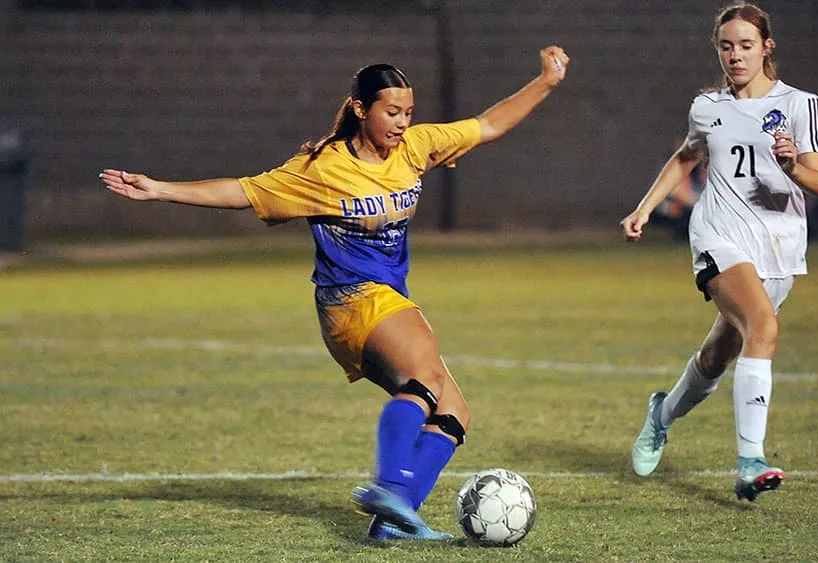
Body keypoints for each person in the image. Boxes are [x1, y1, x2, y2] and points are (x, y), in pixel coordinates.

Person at [100, 46, 570, 539]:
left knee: (454, 412)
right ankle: (389, 485)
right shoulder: (323, 168)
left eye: (408, 112)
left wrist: (546, 82)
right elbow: (243, 191)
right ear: (361, 109)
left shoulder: (416, 146)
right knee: (427, 371)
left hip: (381, 303)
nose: (401, 123)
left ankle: (390, 525)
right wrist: (160, 189)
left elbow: (488, 125)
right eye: (391, 112)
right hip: (351, 300)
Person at [620, 3, 818, 501]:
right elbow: (687, 156)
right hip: (719, 235)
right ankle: (749, 461)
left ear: (766, 47)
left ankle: (661, 414)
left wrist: (790, 164)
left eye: (745, 45)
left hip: (778, 247)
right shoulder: (708, 107)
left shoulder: (802, 105)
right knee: (763, 326)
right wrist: (645, 208)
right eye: (726, 46)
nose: (735, 56)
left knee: (719, 354)